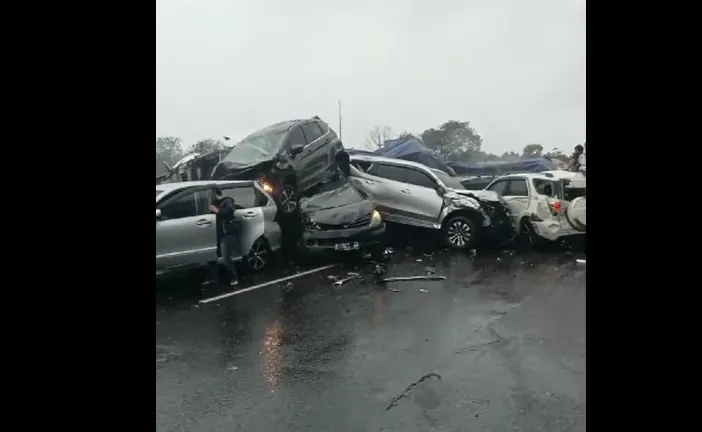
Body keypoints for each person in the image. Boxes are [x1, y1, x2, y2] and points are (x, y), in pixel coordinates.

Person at [208, 188, 239, 286]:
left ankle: (234, 277)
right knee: (213, 258)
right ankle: (215, 278)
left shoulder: (226, 201)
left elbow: (230, 211)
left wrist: (217, 210)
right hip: (217, 234)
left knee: (226, 257)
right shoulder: (213, 204)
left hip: (227, 233)